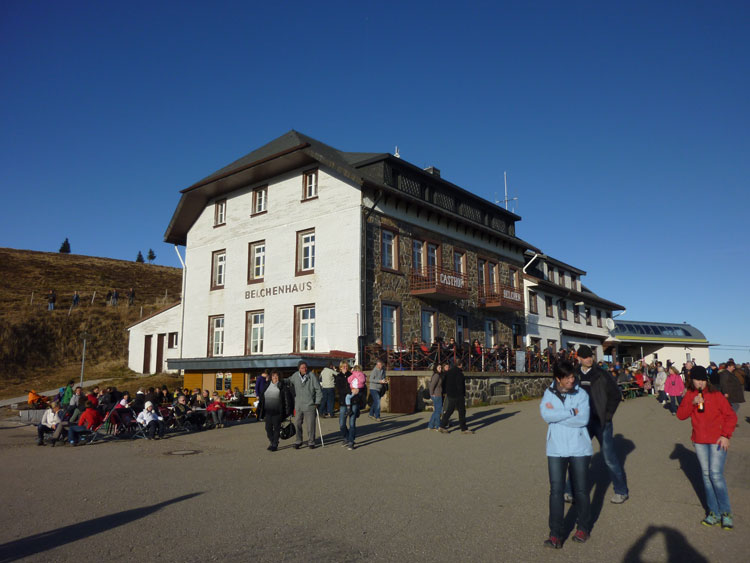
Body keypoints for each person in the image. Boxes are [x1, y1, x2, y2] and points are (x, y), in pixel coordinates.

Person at [676, 366, 737, 529]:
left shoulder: (715, 394)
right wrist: (691, 402)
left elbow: (731, 416)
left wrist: (726, 435)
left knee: (715, 475)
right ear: (692, 380)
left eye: (703, 380)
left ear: (706, 380)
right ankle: (713, 513)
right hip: (700, 441)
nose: (700, 383)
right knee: (705, 475)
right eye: (697, 380)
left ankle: (726, 513)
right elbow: (681, 415)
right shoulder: (690, 394)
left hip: (717, 440)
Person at [541, 361, 592, 548]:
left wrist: (559, 416)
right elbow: (546, 415)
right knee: (556, 491)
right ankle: (555, 534)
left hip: (579, 447)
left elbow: (583, 419)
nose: (572, 380)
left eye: (573, 376)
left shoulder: (582, 394)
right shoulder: (548, 394)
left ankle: (583, 528)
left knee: (580, 490)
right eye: (567, 377)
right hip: (555, 448)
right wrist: (570, 412)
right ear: (558, 379)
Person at [575, 345, 629, 504]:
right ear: (579, 358)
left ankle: (621, 491)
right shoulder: (574, 375)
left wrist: (607, 415)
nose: (589, 359)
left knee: (609, 457)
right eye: (585, 357)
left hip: (601, 422)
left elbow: (615, 395)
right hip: (582, 422)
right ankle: (570, 490)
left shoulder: (602, 374)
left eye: (590, 356)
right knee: (577, 456)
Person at [287, 361, 322, 449]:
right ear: (299, 368)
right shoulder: (295, 376)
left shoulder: (312, 376)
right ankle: (298, 441)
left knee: (310, 425)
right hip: (298, 405)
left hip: (310, 405)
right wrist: (280, 380)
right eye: (302, 368)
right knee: (297, 424)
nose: (305, 369)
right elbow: (289, 380)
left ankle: (311, 442)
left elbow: (318, 390)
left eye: (306, 367)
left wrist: (317, 402)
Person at [438, 360, 474, 434]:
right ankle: (463, 428)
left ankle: (442, 426)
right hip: (458, 395)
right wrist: (463, 394)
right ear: (460, 365)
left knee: (449, 411)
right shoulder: (459, 374)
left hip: (450, 394)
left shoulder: (448, 372)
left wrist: (446, 391)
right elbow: (460, 386)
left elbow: (444, 383)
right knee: (462, 412)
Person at [263, 371, 293, 451]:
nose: (275, 378)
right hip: (268, 411)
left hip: (277, 411)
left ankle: (275, 444)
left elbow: (287, 399)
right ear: (271, 377)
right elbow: (263, 397)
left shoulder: (282, 386)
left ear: (279, 377)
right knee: (268, 428)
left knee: (276, 428)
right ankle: (272, 441)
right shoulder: (267, 385)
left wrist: (288, 411)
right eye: (273, 376)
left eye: (276, 376)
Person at [341, 366, 366, 449]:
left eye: (346, 367)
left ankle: (351, 441)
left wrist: (358, 391)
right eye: (343, 367)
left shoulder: (352, 375)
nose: (344, 368)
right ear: (340, 368)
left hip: (355, 401)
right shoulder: (339, 376)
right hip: (343, 403)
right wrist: (351, 390)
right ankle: (347, 438)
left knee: (352, 423)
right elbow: (340, 389)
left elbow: (364, 391)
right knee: (342, 424)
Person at [427, 363, 443, 431]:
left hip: (437, 394)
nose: (440, 369)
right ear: (436, 368)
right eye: (439, 368)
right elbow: (432, 385)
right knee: (438, 411)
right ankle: (437, 426)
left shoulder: (437, 375)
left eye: (441, 367)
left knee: (436, 411)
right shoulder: (436, 375)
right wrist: (431, 394)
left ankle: (430, 426)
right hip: (437, 395)